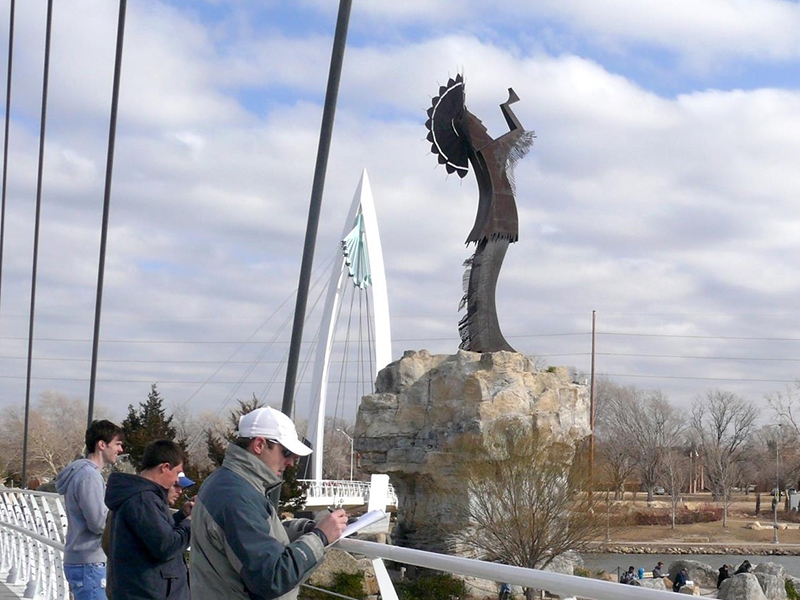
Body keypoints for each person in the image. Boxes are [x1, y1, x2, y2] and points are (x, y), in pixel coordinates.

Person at [190, 406, 348, 600]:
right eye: (286, 452)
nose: (291, 462)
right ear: (259, 445)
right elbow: (272, 578)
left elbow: (257, 533)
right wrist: (320, 537)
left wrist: (305, 529)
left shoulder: (225, 482)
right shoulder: (237, 496)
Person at [105, 440, 192, 600]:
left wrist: (181, 516)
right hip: (149, 592)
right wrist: (190, 523)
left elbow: (151, 532)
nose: (176, 481)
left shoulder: (140, 496)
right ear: (164, 467)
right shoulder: (143, 499)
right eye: (176, 472)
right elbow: (165, 546)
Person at [56, 419, 124, 600]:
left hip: (83, 562)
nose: (120, 449)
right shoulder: (89, 476)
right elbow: (98, 523)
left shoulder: (83, 473)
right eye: (117, 444)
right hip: (90, 563)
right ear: (102, 445)